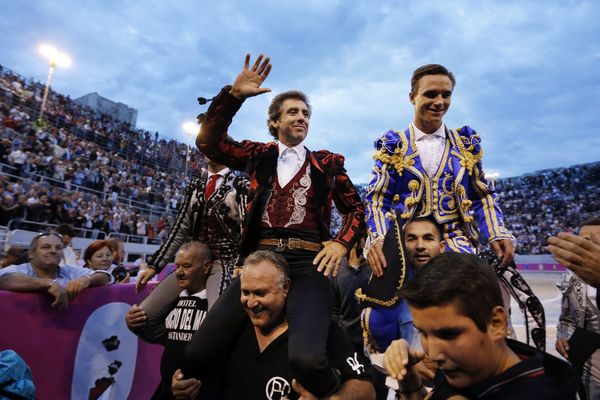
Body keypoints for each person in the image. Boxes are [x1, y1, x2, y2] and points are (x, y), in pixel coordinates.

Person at [187, 53, 365, 396]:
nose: (302, 117)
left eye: (306, 113)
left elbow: (357, 210)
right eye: (293, 112)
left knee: (309, 361)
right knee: (196, 353)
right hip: (261, 263)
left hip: (308, 262)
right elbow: (208, 142)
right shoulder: (259, 156)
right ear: (274, 123)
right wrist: (233, 96)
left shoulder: (326, 163)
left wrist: (341, 242)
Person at [364, 64, 514, 277]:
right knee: (384, 306)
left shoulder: (465, 144)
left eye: (446, 95)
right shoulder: (393, 144)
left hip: (454, 242)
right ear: (412, 97)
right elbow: (377, 200)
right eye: (431, 94)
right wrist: (378, 238)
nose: (439, 102)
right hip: (405, 244)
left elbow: (482, 195)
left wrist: (497, 233)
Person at [172, 251, 375, 400]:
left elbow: (367, 390)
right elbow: (198, 377)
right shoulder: (228, 330)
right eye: (245, 293)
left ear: (285, 287)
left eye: (261, 293)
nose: (251, 303)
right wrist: (182, 384)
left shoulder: (315, 329)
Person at [383, 253, 578, 399]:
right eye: (423, 333)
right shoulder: (464, 368)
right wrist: (408, 379)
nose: (434, 354)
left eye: (449, 334)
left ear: (496, 323)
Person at [136, 156, 248, 307]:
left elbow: (247, 228)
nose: (209, 150)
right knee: (144, 315)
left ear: (224, 150)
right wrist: (154, 266)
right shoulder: (195, 186)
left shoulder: (240, 184)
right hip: (193, 262)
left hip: (227, 261)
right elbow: (179, 229)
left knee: (216, 319)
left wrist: (241, 262)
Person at [126, 242, 211, 399]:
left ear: (206, 267)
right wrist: (134, 325)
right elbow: (162, 338)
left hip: (198, 392)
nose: (179, 272)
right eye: (177, 266)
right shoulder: (170, 302)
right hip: (166, 389)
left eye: (186, 266)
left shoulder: (216, 304)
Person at [0, 233, 110, 310]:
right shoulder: (20, 269)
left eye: (58, 248)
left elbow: (105, 276)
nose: (53, 251)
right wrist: (48, 284)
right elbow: (3, 279)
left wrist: (87, 280)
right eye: (46, 247)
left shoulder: (69, 270)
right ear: (31, 253)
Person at [556, 216, 600, 399]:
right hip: (587, 356)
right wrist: (563, 336)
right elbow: (566, 317)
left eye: (590, 240)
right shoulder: (572, 278)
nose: (582, 245)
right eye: (581, 240)